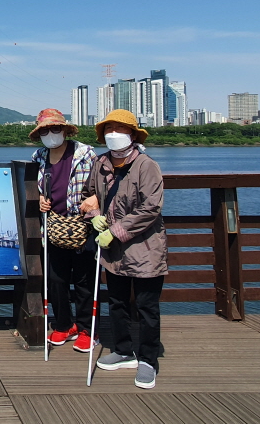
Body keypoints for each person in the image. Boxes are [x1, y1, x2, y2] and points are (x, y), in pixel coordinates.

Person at [80, 109, 166, 389]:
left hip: (144, 247)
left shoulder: (146, 165)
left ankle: (148, 360)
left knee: (146, 306)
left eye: (119, 129)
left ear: (132, 134)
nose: (113, 134)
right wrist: (94, 216)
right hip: (112, 251)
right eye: (109, 129)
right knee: (116, 302)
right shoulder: (101, 163)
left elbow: (151, 207)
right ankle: (123, 349)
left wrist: (116, 230)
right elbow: (88, 195)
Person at [29, 108, 98, 353]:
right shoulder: (39, 156)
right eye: (45, 130)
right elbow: (32, 186)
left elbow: (102, 183)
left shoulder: (85, 153)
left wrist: (97, 201)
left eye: (55, 128)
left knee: (84, 280)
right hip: (55, 226)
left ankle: (87, 328)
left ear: (66, 130)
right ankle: (63, 324)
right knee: (56, 279)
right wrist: (38, 199)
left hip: (83, 226)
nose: (51, 134)